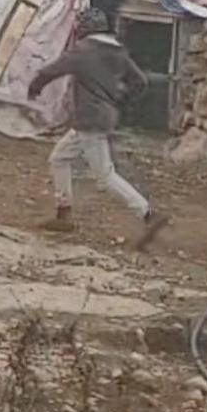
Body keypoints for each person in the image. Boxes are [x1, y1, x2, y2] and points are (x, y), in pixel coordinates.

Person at [29, 13, 169, 248]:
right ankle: (63, 213)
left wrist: (34, 88)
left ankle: (147, 214)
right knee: (59, 158)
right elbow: (140, 82)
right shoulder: (118, 52)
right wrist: (121, 99)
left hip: (89, 120)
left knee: (105, 175)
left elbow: (50, 71)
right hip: (101, 117)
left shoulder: (83, 51)